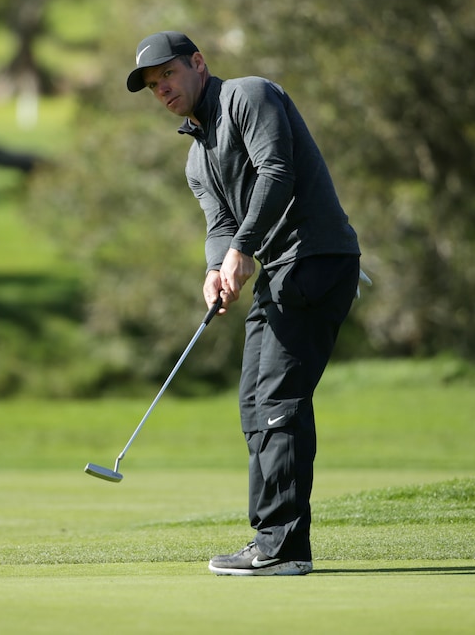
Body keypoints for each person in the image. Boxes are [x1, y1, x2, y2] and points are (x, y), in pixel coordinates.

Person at [127, 31, 363, 576]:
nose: (162, 90)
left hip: (315, 259)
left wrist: (241, 250)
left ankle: (284, 548)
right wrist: (216, 267)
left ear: (198, 63)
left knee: (279, 398)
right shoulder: (195, 158)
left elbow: (276, 171)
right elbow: (221, 224)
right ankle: (270, 538)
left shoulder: (248, 96)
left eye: (168, 75)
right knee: (255, 403)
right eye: (152, 85)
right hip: (279, 271)